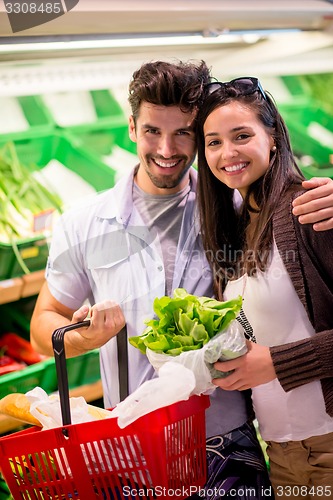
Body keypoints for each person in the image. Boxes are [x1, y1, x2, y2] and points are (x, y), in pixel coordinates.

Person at [30, 62, 333, 499]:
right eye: (153, 131)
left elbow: (293, 208)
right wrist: (80, 338)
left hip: (229, 439)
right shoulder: (83, 224)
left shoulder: (238, 204)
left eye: (185, 134)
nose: (167, 149)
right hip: (131, 444)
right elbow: (46, 320)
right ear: (132, 127)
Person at [195, 76, 333, 499]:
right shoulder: (235, 227)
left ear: (272, 138)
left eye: (242, 136)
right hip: (282, 452)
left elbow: (273, 354)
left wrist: (277, 362)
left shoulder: (310, 210)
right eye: (213, 142)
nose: (227, 153)